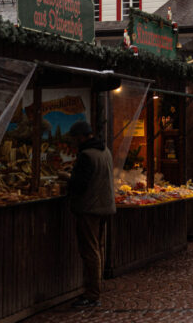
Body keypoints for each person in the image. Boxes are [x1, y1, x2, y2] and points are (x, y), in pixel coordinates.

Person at [66, 119, 116, 308]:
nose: (74, 141)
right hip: (104, 207)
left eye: (75, 138)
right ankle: (95, 288)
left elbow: (79, 185)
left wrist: (68, 181)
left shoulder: (86, 155)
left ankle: (92, 294)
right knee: (97, 248)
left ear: (81, 137)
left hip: (89, 209)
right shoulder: (105, 151)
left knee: (90, 251)